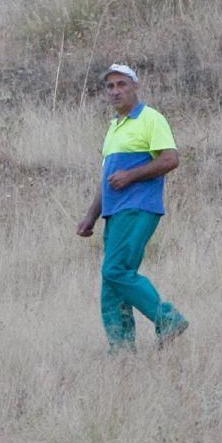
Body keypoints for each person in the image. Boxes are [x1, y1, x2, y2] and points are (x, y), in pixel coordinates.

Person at [76, 64, 188, 354]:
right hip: (115, 212)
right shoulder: (114, 127)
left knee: (115, 270)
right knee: (112, 281)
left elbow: (170, 159)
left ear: (135, 86)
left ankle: (168, 319)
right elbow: (108, 180)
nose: (115, 91)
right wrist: (91, 216)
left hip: (138, 207)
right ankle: (122, 351)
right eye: (110, 86)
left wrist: (131, 176)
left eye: (121, 84)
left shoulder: (150, 118)